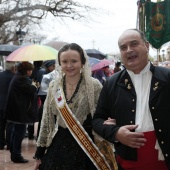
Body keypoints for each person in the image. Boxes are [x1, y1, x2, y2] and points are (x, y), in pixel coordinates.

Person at [92, 29, 170, 170]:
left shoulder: (167, 77)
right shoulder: (111, 83)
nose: (128, 50)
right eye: (123, 47)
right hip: (127, 162)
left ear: (146, 46)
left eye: (134, 44)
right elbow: (97, 120)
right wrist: (116, 133)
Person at [33, 43, 105, 170]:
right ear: (59, 63)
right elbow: (46, 119)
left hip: (86, 146)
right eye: (65, 61)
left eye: (74, 61)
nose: (69, 65)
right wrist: (39, 153)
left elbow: (101, 116)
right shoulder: (54, 86)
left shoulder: (94, 86)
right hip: (59, 146)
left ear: (82, 62)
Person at [4, 62, 39, 163]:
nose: (31, 72)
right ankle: (16, 155)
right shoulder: (22, 79)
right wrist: (35, 85)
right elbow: (32, 89)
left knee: (16, 132)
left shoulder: (17, 77)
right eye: (30, 70)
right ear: (27, 71)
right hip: (19, 112)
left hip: (16, 111)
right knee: (19, 133)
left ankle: (14, 154)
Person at [0, 61, 16, 150]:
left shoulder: (0, 75)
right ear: (12, 68)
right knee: (10, 124)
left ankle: (1, 144)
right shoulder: (14, 77)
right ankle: (10, 144)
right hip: (10, 104)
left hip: (0, 104)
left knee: (1, 124)